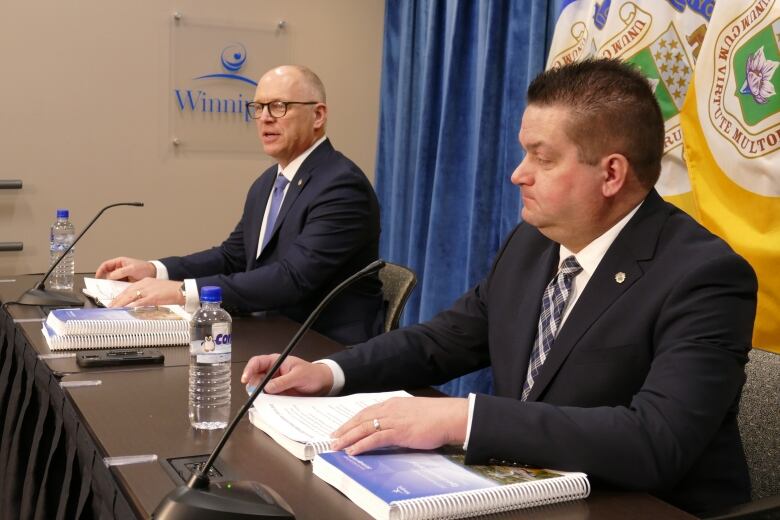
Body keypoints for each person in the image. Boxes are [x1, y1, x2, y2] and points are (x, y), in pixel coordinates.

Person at [241, 59, 758, 515]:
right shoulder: (531, 245)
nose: (517, 174)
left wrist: (461, 418)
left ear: (612, 174)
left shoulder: (704, 276)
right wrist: (329, 372)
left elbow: (656, 441)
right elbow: (442, 339)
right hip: (531, 495)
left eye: (542, 157)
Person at [96, 65, 384, 345]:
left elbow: (292, 278)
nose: (265, 118)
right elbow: (232, 256)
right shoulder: (268, 181)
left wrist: (183, 292)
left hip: (324, 347)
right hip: (272, 335)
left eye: (279, 106)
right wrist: (156, 270)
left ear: (318, 115)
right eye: (258, 108)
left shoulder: (341, 186)